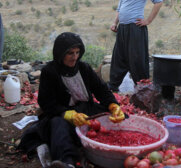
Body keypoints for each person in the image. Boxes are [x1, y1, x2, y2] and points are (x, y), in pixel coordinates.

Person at [18, 32, 125, 168]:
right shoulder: (50, 72)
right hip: (61, 114)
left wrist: (113, 105)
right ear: (60, 54)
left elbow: (102, 90)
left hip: (86, 110)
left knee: (119, 118)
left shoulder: (84, 68)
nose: (74, 57)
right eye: (70, 53)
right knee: (59, 128)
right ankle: (67, 162)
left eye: (77, 52)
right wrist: (67, 114)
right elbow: (46, 102)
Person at [108, 0, 163, 91]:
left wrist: (148, 20)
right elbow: (120, 7)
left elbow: (158, 1)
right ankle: (112, 88)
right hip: (123, 28)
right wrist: (115, 23)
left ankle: (143, 90)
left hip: (135, 28)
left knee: (137, 60)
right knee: (118, 59)